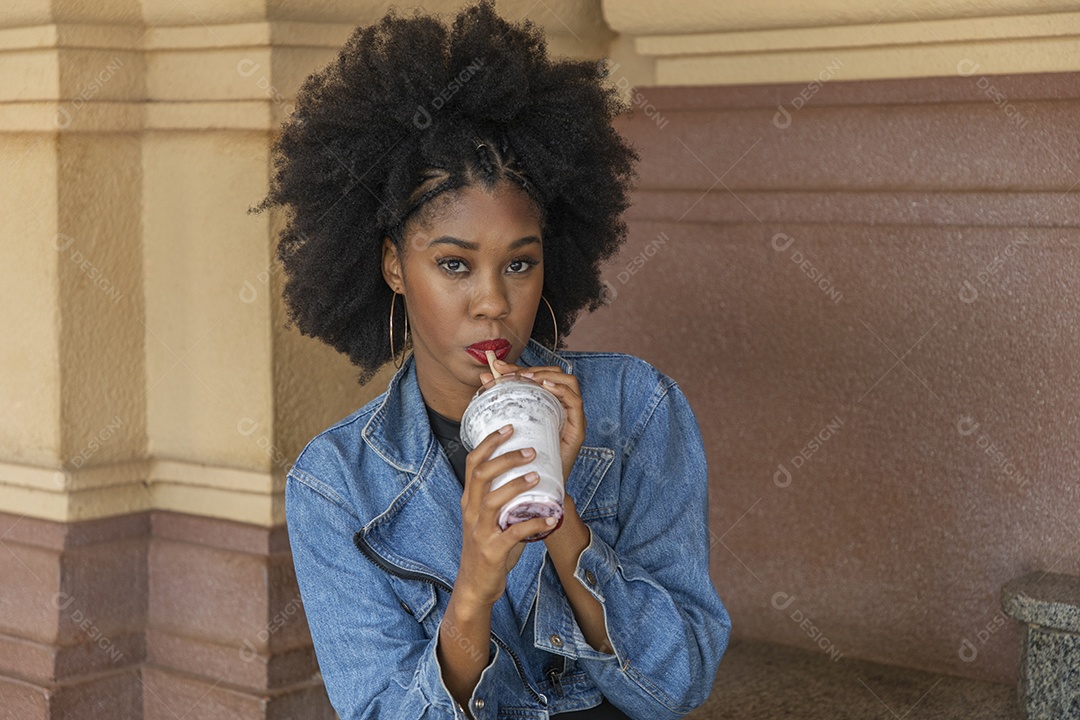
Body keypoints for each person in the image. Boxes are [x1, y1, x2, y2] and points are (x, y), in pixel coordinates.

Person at [249, 2, 730, 718]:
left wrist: (561, 520)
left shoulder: (637, 407)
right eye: (453, 263)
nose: (492, 303)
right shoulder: (336, 486)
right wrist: (474, 588)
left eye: (520, 263)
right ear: (392, 265)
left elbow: (678, 682)